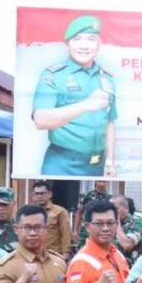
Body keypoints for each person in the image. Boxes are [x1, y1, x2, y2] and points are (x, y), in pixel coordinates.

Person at [31, 14, 118, 177]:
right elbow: (41, 120)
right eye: (77, 39)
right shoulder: (54, 75)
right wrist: (86, 105)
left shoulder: (107, 78)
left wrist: (110, 161)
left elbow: (110, 122)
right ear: (67, 44)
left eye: (91, 39)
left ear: (99, 45)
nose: (84, 46)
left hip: (97, 164)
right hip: (62, 163)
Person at [31, 181, 71, 258]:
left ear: (50, 194)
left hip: (53, 255)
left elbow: (66, 233)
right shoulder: (30, 212)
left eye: (42, 193)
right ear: (33, 196)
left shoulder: (59, 211)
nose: (39, 196)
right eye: (37, 194)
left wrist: (65, 254)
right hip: (34, 254)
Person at [73, 181, 111, 250]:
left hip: (102, 230)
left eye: (104, 182)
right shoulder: (88, 195)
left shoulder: (110, 198)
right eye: (100, 181)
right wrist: (75, 230)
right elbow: (79, 212)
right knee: (83, 250)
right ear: (96, 182)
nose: (102, 184)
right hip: (86, 231)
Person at [110, 194, 142, 266]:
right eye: (110, 209)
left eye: (115, 209)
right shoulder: (107, 224)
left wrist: (116, 222)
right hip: (113, 267)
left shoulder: (137, 222)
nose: (112, 212)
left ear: (126, 209)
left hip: (131, 269)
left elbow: (127, 245)